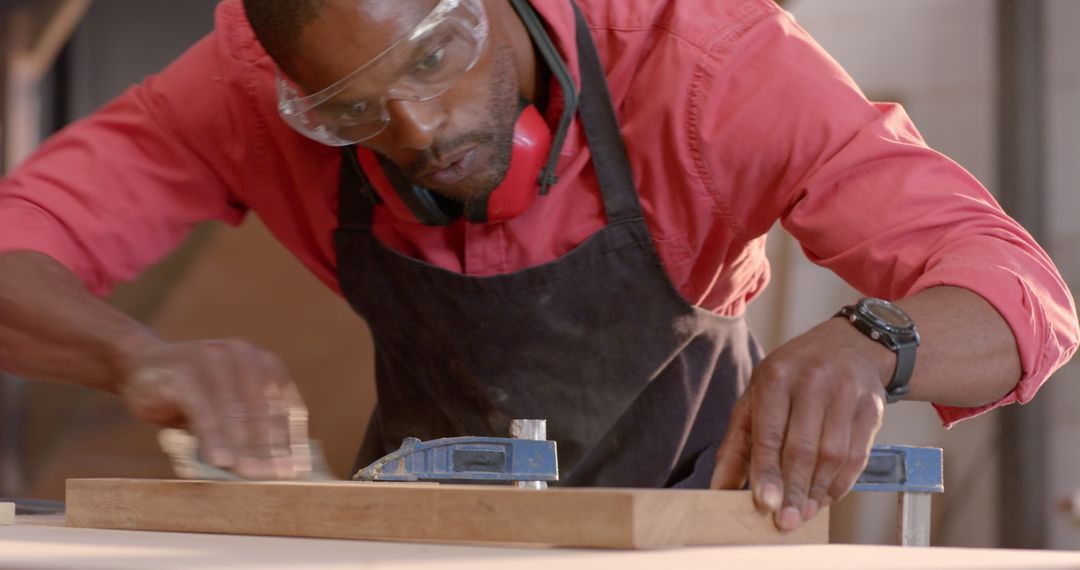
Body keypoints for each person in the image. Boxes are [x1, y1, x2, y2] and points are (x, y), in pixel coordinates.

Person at [0, 0, 1076, 533]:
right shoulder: (244, 84)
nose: (418, 129)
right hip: (422, 540)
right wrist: (130, 353)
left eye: (434, 57)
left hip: (702, 524)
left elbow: (1019, 291)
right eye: (355, 110)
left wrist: (874, 342)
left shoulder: (707, 62)